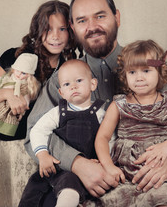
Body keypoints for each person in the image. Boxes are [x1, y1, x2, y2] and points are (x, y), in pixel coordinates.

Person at [25, 0, 167, 205]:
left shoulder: (152, 66)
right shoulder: (65, 78)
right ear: (73, 27)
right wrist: (79, 164)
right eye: (82, 20)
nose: (92, 27)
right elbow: (34, 131)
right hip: (87, 183)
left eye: (100, 16)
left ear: (116, 17)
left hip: (151, 177)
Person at [0, 0, 77, 207]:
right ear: (37, 30)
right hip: (13, 148)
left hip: (47, 149)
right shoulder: (18, 57)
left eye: (62, 29)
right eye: (48, 29)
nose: (55, 36)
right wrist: (7, 94)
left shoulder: (69, 65)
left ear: (71, 33)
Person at [83, 39, 167, 206]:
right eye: (132, 72)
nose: (139, 78)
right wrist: (108, 165)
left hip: (161, 168)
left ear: (160, 71)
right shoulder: (119, 104)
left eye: (146, 70)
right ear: (125, 75)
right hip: (125, 171)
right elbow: (102, 137)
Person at [19, 59, 106, 207]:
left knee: (70, 188)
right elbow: (38, 130)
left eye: (79, 80)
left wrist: (102, 162)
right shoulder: (58, 112)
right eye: (67, 84)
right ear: (61, 92)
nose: (73, 87)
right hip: (56, 166)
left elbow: (108, 139)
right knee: (32, 191)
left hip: (84, 169)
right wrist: (42, 154)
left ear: (93, 84)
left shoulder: (100, 113)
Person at [0, 53, 40, 148]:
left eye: (24, 73)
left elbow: (25, 102)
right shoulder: (6, 78)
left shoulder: (26, 87)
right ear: (13, 69)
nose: (19, 75)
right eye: (18, 71)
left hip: (9, 112)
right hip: (0, 106)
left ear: (29, 75)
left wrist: (21, 113)